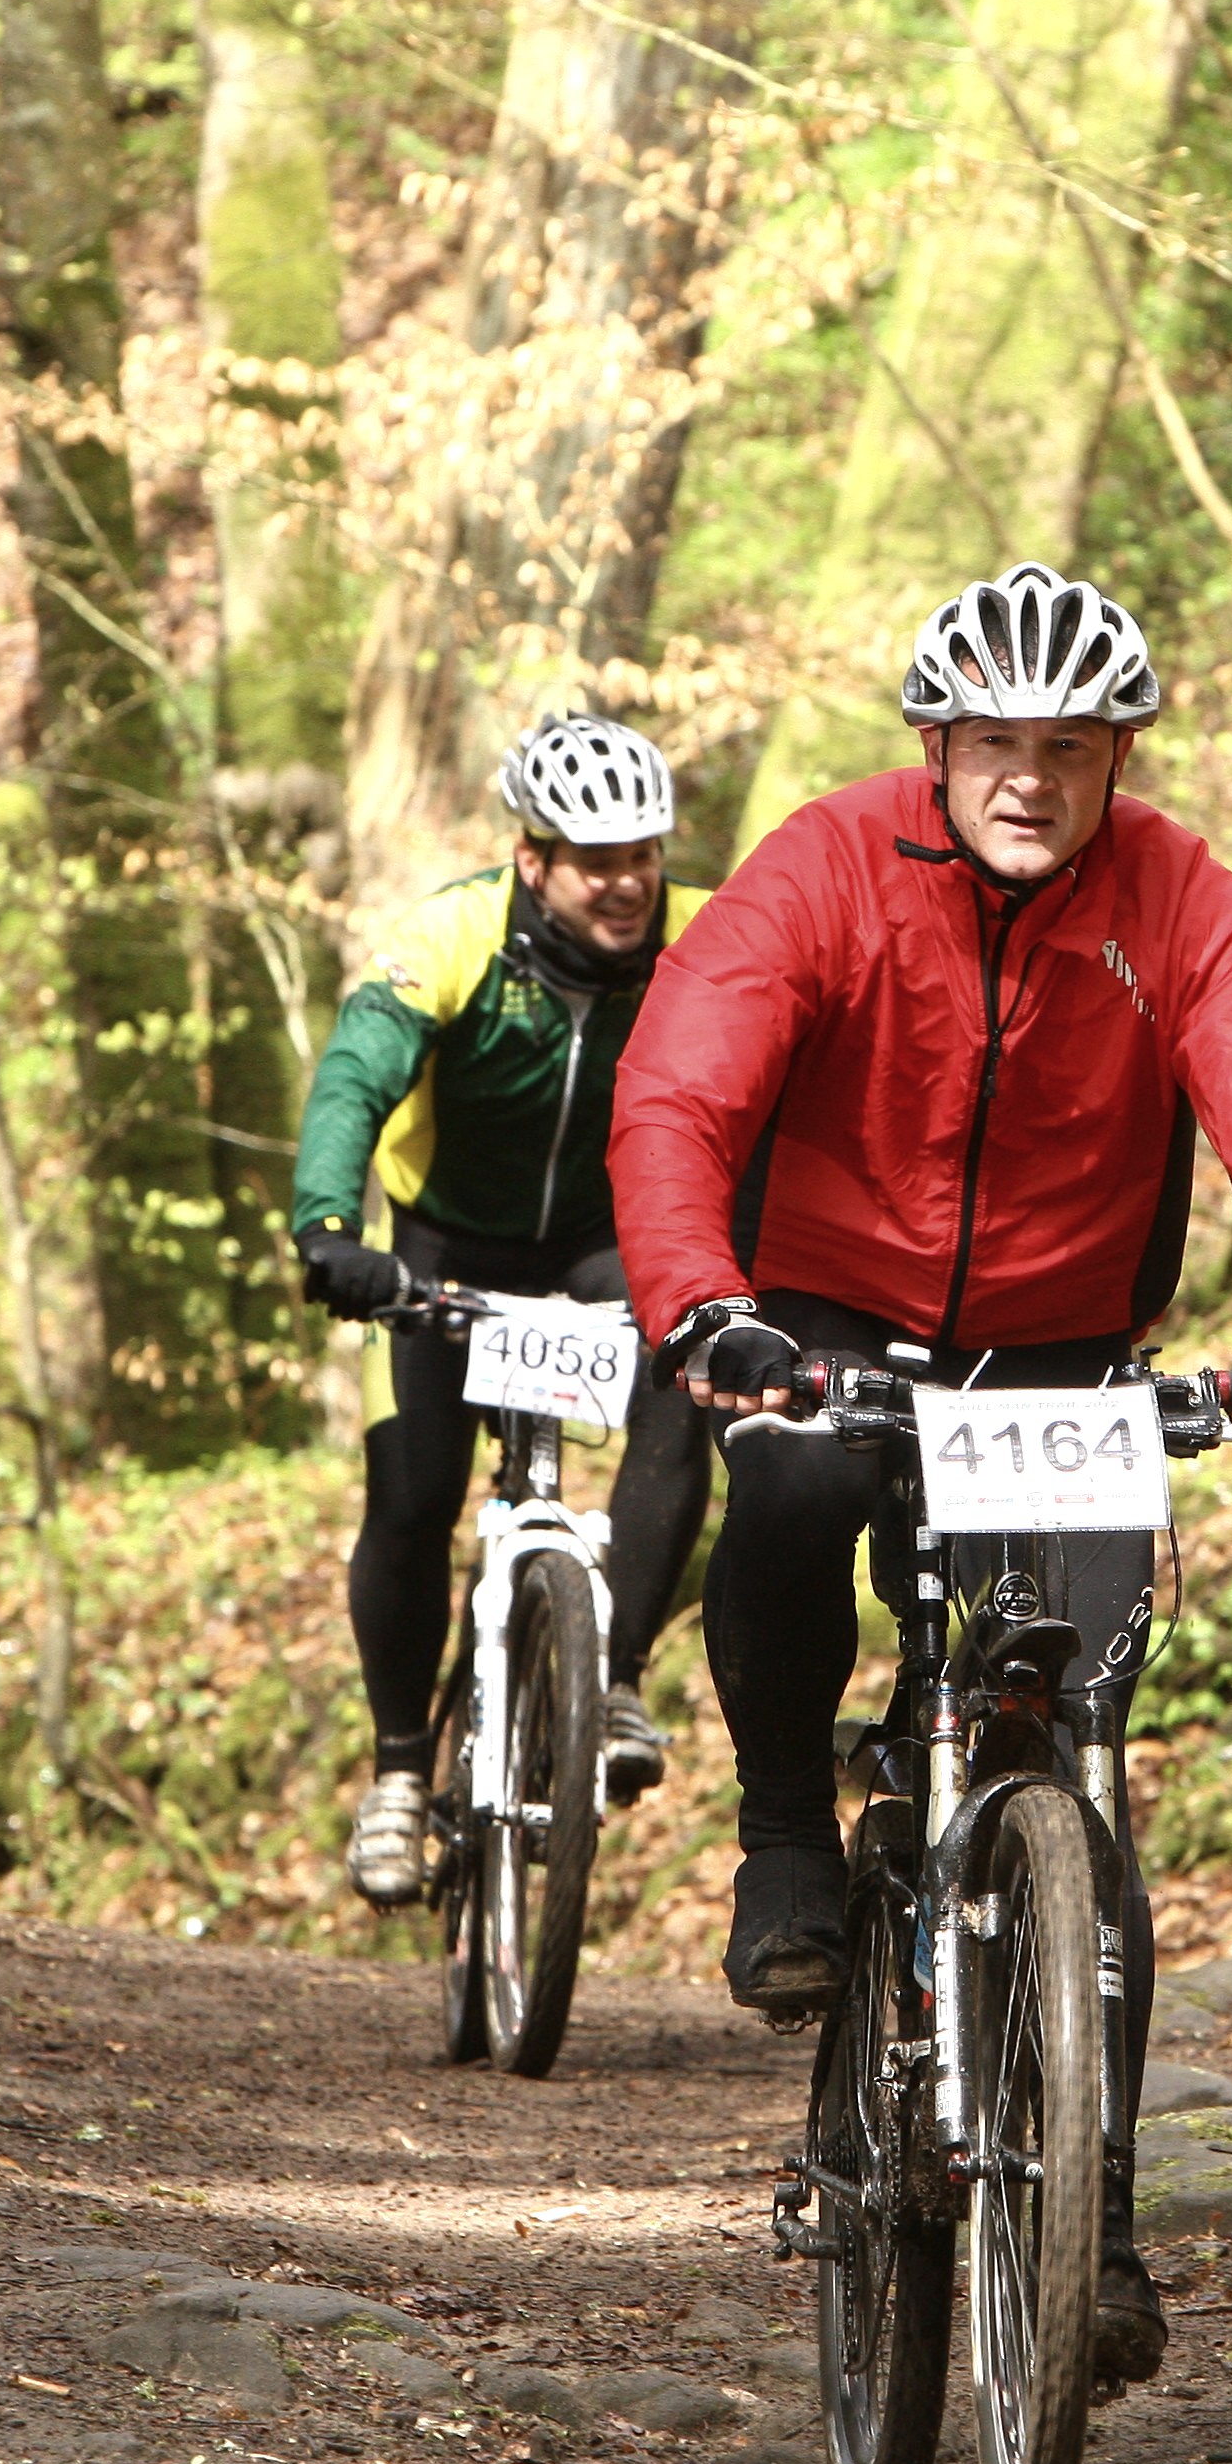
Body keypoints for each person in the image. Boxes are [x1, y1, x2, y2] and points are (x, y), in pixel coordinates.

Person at [607, 563, 1232, 2386]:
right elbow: (680, 1091)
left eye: (1071, 748)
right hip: (827, 1309)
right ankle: (787, 1842)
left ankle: (1091, 2222)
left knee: (1081, 1764)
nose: (1030, 780)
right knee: (790, 1498)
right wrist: (705, 1304)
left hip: (1065, 1347)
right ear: (934, 743)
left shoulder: (1175, 897)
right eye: (994, 744)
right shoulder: (825, 866)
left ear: (1118, 757)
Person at [295, 711, 719, 1909]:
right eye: (597, 862)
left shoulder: (701, 937)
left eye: (645, 856)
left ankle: (613, 1678)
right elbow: (355, 1075)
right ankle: (397, 1773)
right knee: (413, 1495)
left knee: (683, 1374)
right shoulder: (453, 935)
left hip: (600, 1242)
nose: (629, 882)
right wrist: (328, 1228)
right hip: (440, 1244)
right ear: (532, 860)